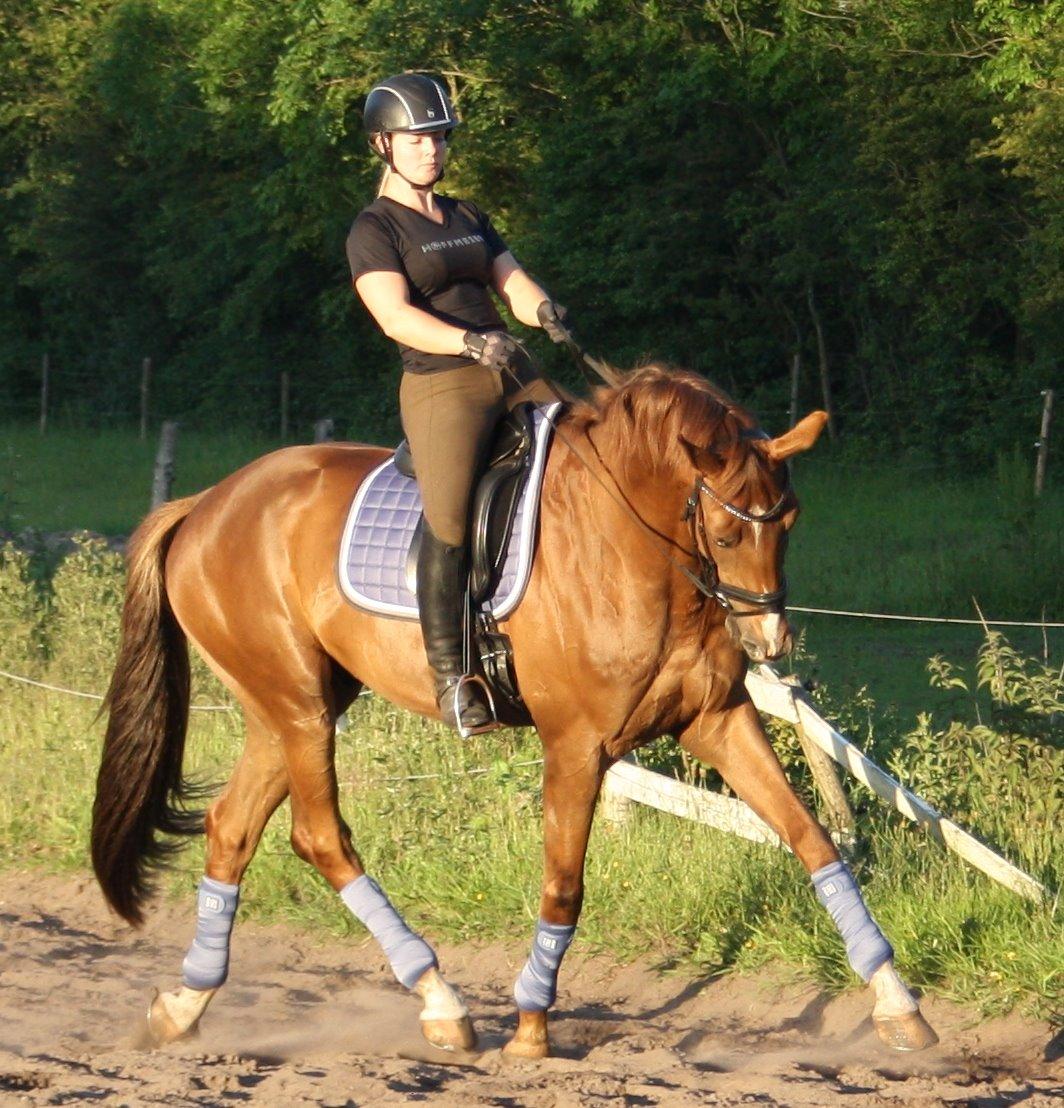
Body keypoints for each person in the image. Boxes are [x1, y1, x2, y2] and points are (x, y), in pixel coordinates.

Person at [346, 73, 569, 735]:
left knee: (590, 450)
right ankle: (453, 681)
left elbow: (513, 282)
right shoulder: (375, 228)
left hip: (509, 363)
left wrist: (544, 310)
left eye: (439, 138)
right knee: (447, 521)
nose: (431, 150)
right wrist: (470, 342)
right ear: (384, 144)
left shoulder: (468, 215)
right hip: (443, 381)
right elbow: (393, 317)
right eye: (417, 139)